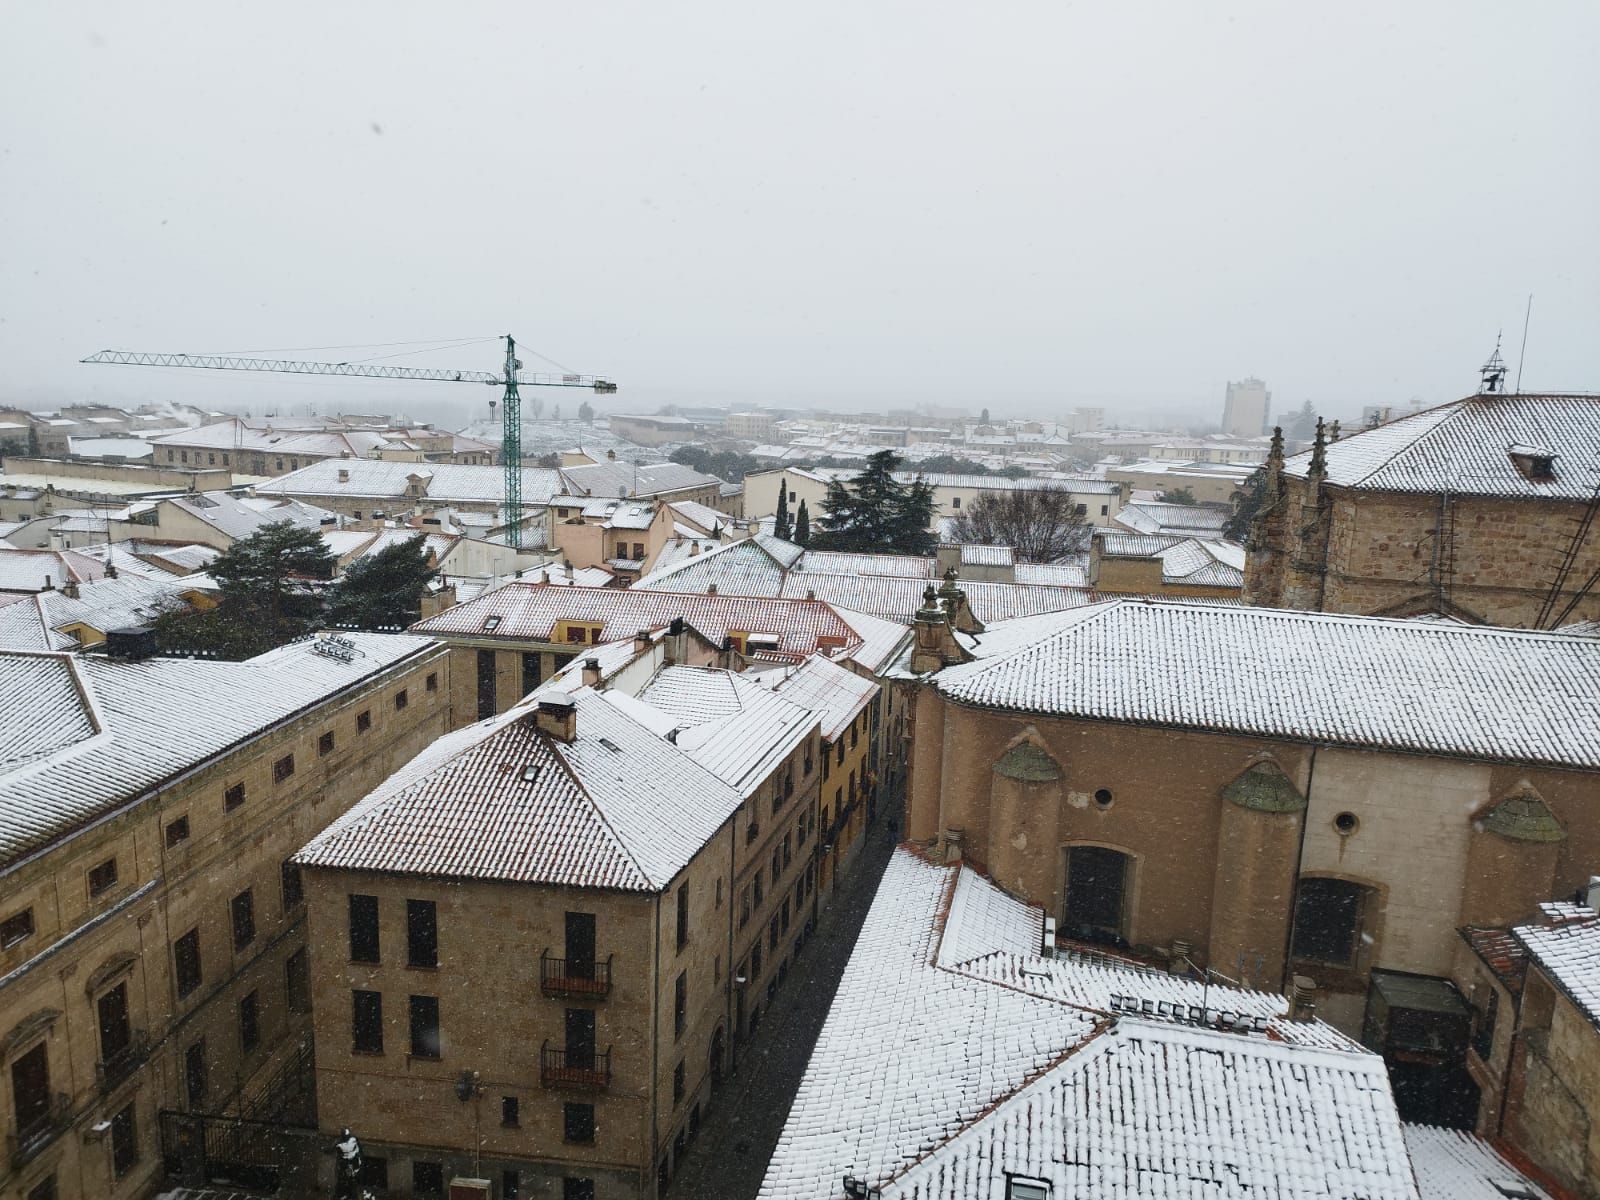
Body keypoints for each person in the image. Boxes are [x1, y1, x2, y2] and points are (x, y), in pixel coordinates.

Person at [333, 1128, 363, 1200]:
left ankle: (351, 1193)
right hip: (345, 1162)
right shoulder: (339, 1142)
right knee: (344, 1179)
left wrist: (359, 1158)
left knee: (352, 1180)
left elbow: (359, 1149)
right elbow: (332, 1149)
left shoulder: (353, 1140)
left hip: (353, 1161)